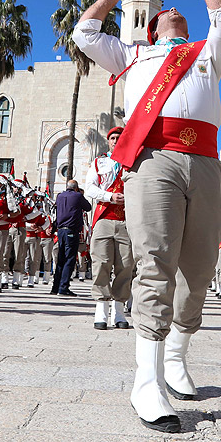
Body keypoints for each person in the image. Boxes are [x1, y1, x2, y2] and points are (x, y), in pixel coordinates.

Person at [72, 0, 221, 433]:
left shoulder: (207, 53)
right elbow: (83, 36)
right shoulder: (133, 54)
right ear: (153, 21)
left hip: (205, 161)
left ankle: (177, 356)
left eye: (178, 13)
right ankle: (147, 381)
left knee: (200, 266)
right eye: (166, 12)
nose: (172, 12)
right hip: (154, 160)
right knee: (156, 260)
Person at [84, 126, 135, 330]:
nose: (115, 140)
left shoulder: (133, 163)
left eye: (119, 137)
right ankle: (101, 312)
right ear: (108, 141)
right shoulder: (99, 162)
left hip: (128, 220)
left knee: (125, 266)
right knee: (101, 263)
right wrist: (109, 196)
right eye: (112, 137)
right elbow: (90, 188)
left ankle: (120, 313)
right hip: (104, 218)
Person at [51, 179, 89, 297]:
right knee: (69, 259)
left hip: (60, 230)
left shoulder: (60, 196)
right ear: (76, 188)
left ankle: (55, 287)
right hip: (71, 230)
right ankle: (63, 288)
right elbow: (88, 207)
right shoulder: (78, 196)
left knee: (60, 259)